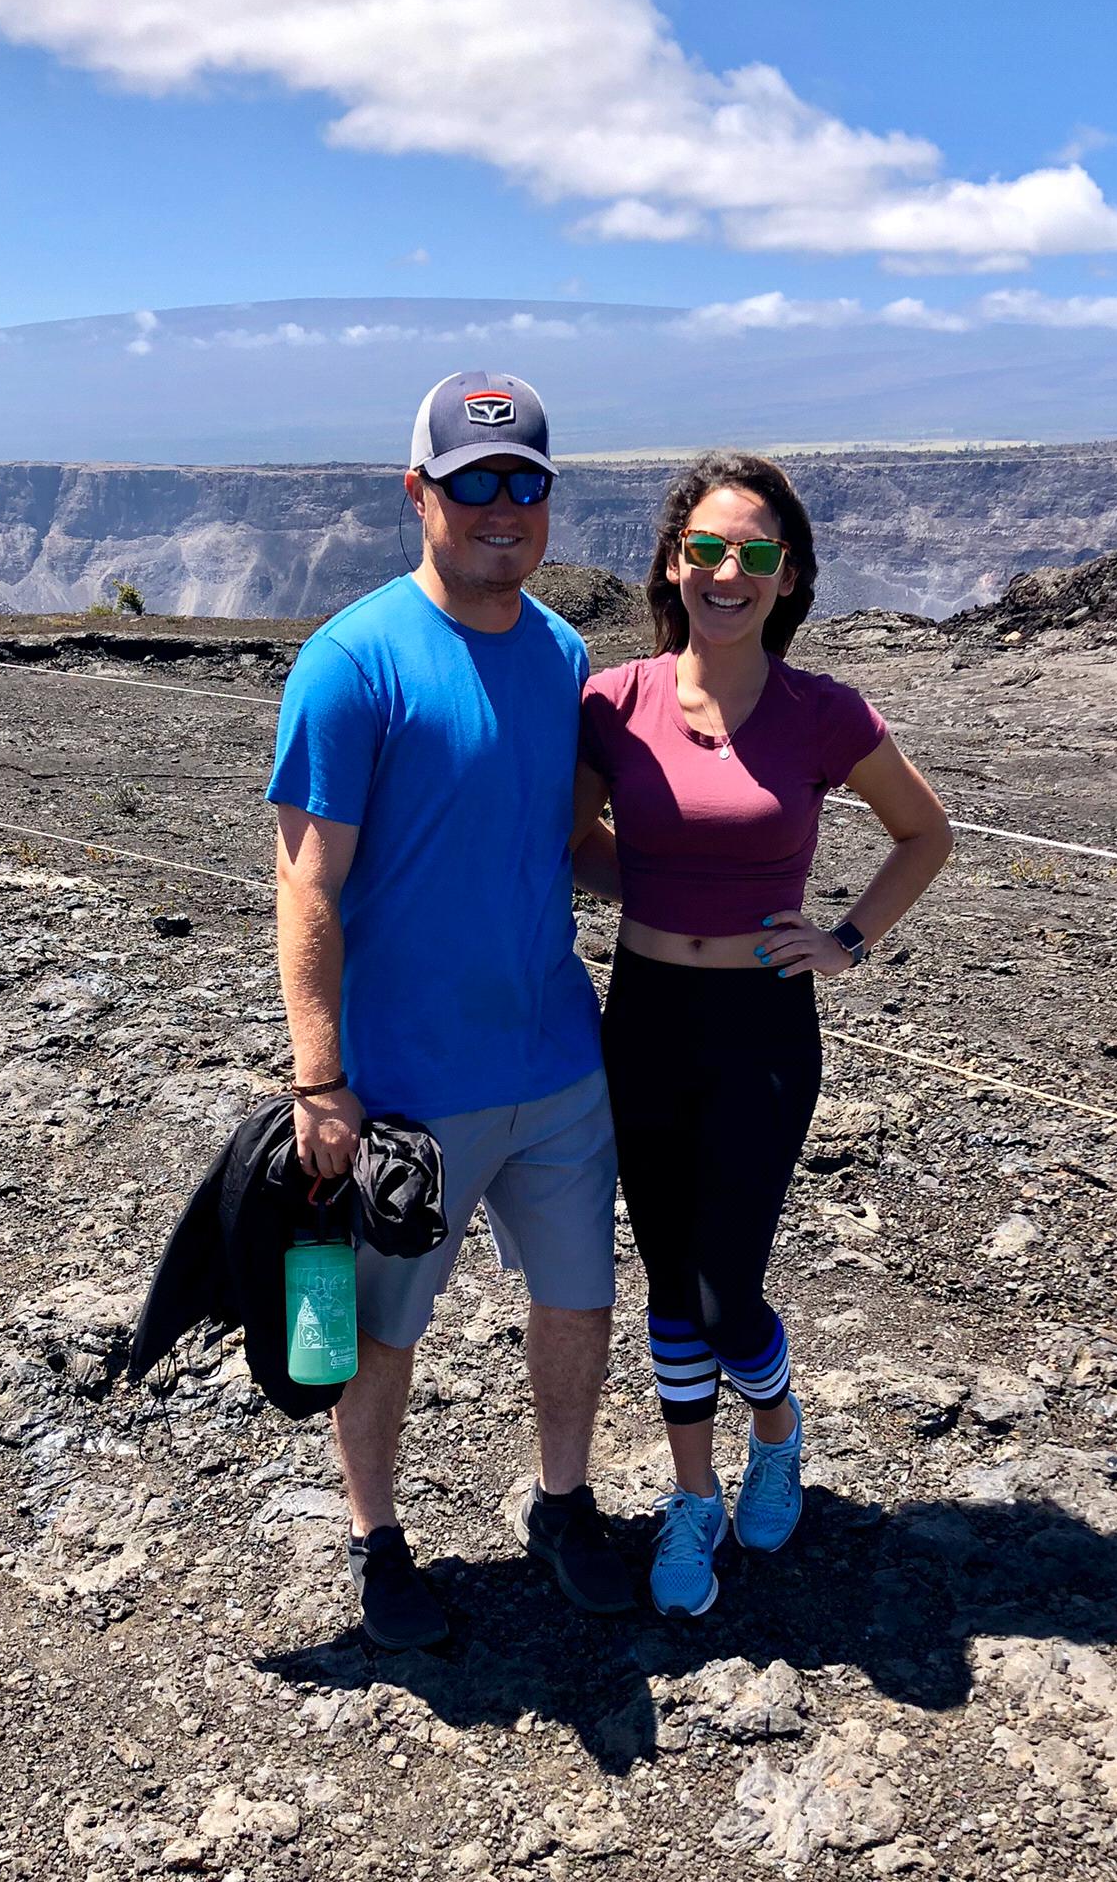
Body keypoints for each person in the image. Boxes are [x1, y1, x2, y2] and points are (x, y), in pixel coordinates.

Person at [267, 370, 634, 1651]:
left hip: (557, 1061)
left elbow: (570, 838)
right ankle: (377, 1538)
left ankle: (565, 1500)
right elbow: (307, 881)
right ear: (417, 490)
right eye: (472, 481)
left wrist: (711, 877)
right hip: (408, 1089)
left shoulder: (563, 653)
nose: (501, 506)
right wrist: (322, 1080)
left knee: (578, 1298)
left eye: (524, 482)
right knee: (379, 1329)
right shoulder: (353, 659)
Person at [574, 451, 953, 1617]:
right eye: (706, 549)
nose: (726, 572)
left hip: (762, 1025)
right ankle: (694, 1495)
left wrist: (844, 938)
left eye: (755, 553)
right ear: (673, 563)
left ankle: (777, 1430)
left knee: (728, 1283)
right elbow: (569, 841)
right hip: (641, 1015)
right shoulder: (614, 699)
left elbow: (923, 834)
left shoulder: (821, 711)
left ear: (789, 577)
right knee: (669, 1282)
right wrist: (660, 881)